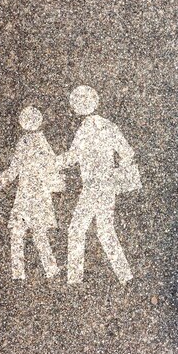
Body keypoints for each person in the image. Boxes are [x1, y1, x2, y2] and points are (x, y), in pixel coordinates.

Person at [57, 85, 140, 284]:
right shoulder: (108, 125)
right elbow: (127, 153)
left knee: (77, 230)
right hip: (108, 185)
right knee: (104, 230)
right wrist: (117, 171)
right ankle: (125, 275)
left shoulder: (85, 129)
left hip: (92, 187)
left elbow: (72, 157)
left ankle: (74, 279)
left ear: (77, 106)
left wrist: (52, 163)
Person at [0, 106, 64, 279]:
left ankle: (20, 273)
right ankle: (49, 270)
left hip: (27, 195)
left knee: (19, 233)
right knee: (37, 234)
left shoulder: (25, 142)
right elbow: (52, 166)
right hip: (38, 195)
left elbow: (14, 169)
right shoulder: (41, 141)